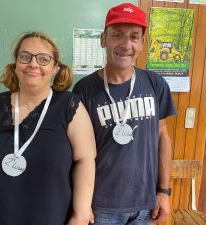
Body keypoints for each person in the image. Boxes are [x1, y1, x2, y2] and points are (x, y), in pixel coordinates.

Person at [0, 31, 96, 225]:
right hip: (2, 213)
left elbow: (86, 160)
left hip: (52, 215)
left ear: (55, 67)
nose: (33, 64)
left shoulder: (69, 106)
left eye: (43, 59)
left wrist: (81, 214)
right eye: (25, 57)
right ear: (16, 63)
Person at [73, 3, 177, 225]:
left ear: (142, 43)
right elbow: (77, 152)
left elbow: (162, 136)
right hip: (101, 205)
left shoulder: (155, 84)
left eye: (133, 36)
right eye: (117, 35)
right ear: (103, 39)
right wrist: (82, 203)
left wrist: (164, 191)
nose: (125, 44)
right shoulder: (84, 89)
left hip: (145, 204)